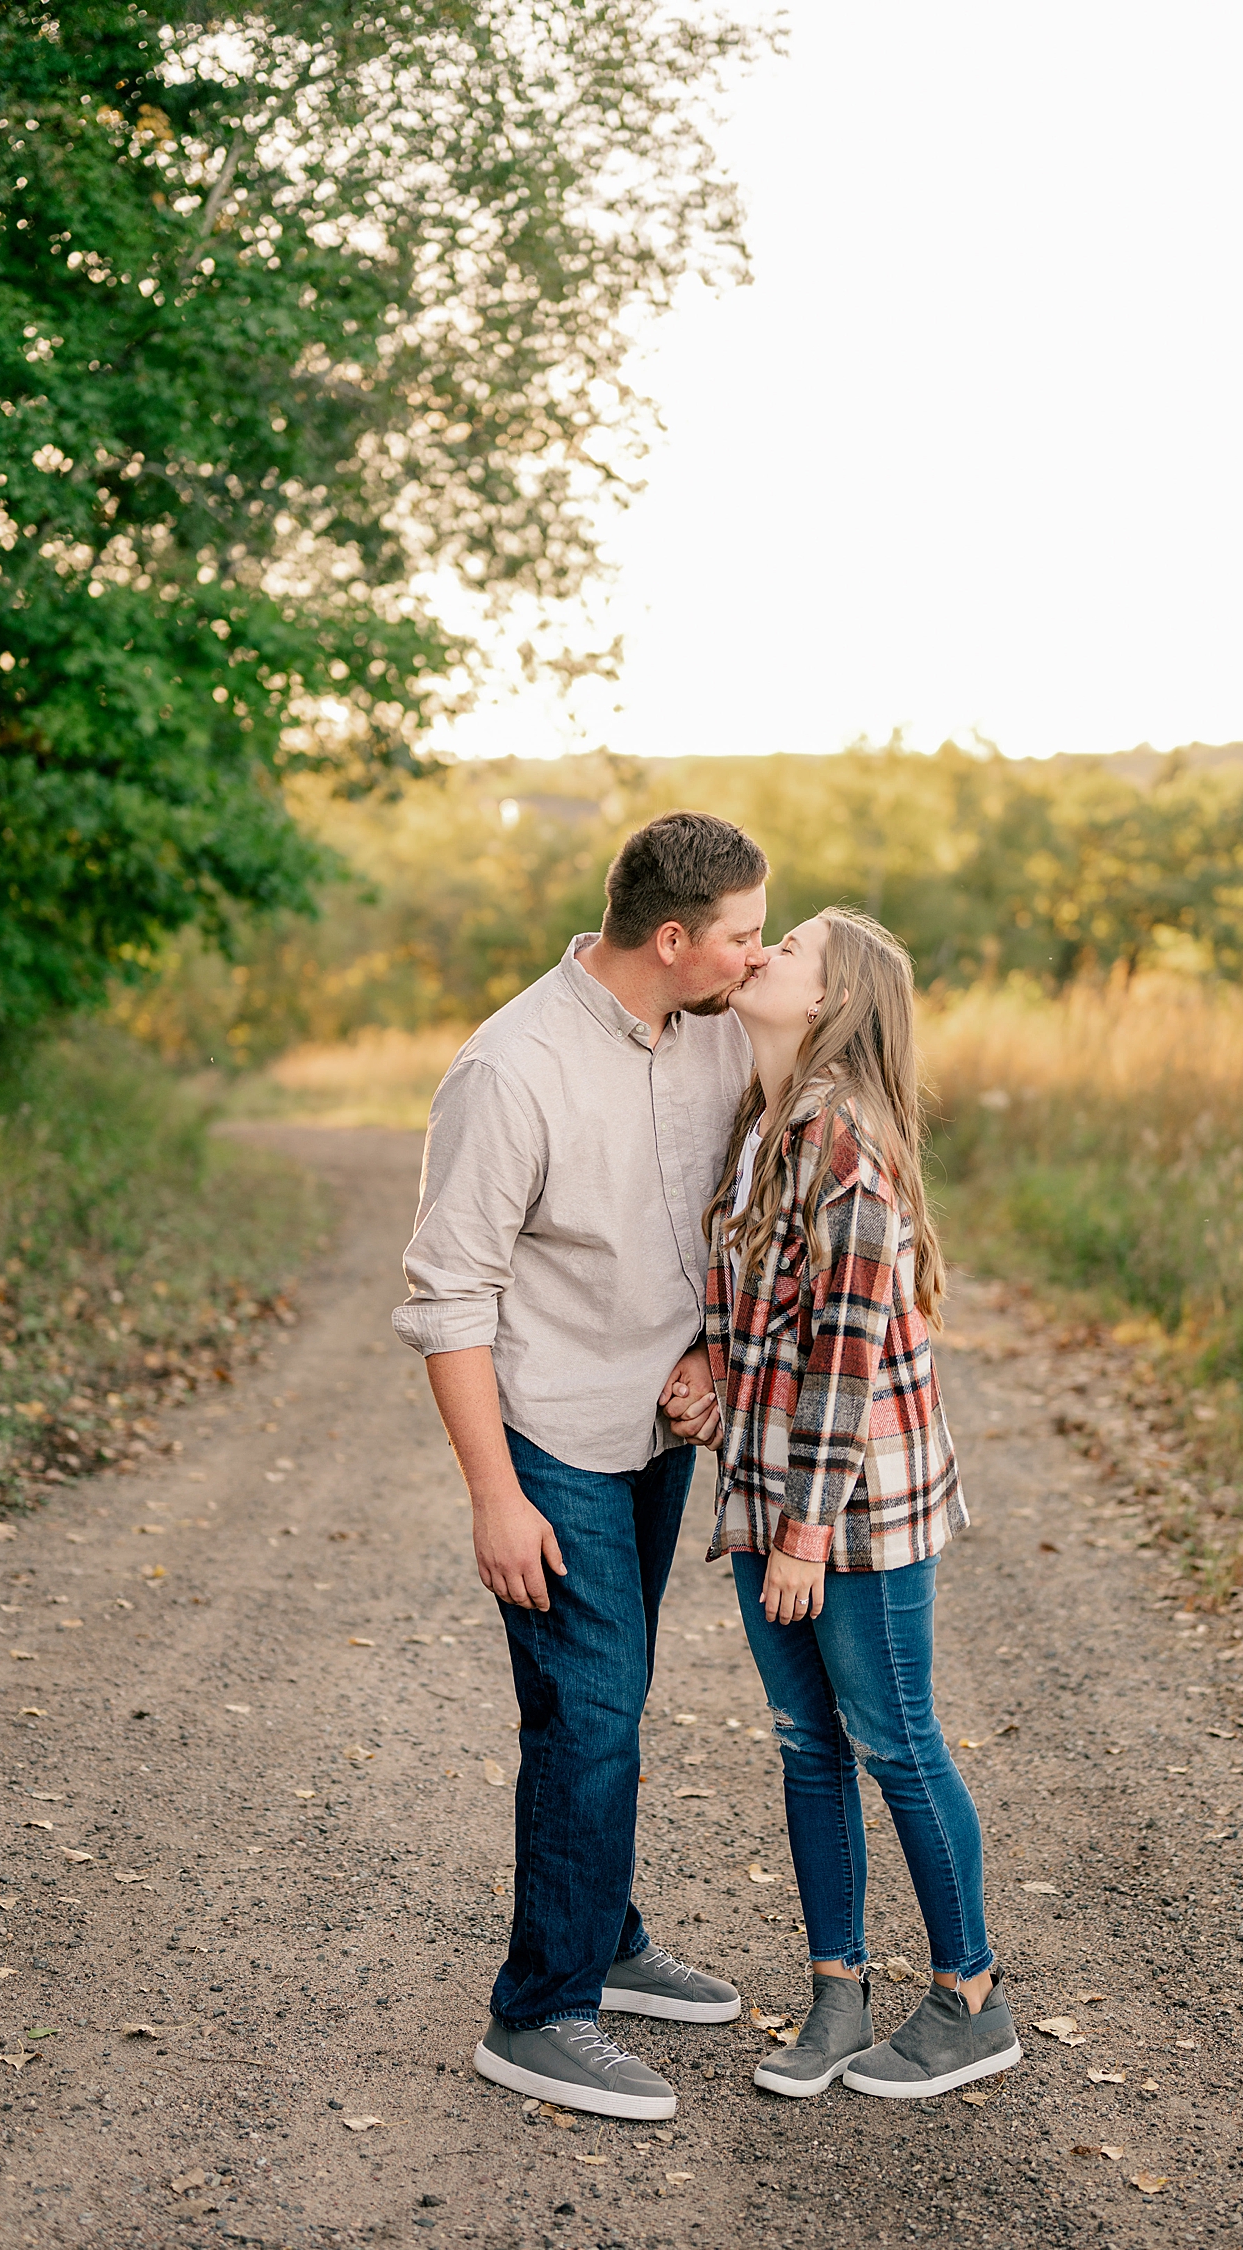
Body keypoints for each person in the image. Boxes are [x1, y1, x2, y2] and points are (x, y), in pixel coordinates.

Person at [392, 810, 768, 2122]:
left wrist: (718, 1352)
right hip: (547, 1432)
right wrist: (494, 1493)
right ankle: (542, 2008)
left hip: (658, 1431)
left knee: (619, 1696)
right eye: (741, 937)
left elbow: (736, 1216)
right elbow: (450, 1300)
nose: (757, 959)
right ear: (672, 939)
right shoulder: (513, 1069)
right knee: (590, 1709)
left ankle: (605, 1932)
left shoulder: (720, 1030)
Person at [685, 907, 1021, 2100]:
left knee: (894, 1738)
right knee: (805, 1740)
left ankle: (971, 1997)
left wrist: (808, 1530)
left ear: (832, 1003)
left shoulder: (846, 1140)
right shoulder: (764, 1122)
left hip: (849, 1504)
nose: (764, 956)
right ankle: (837, 1993)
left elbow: (844, 1347)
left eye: (793, 952)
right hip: (771, 1483)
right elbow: (759, 1301)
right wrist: (707, 1365)